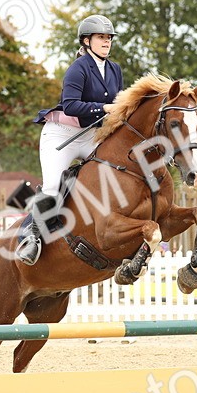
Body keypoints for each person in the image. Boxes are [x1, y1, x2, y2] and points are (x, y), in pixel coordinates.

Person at [15, 14, 124, 265]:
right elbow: (71, 105)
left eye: (109, 38)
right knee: (53, 186)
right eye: (101, 37)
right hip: (61, 134)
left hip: (90, 135)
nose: (106, 42)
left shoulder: (114, 69)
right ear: (86, 41)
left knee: (116, 169)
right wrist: (104, 108)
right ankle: (31, 237)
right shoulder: (78, 68)